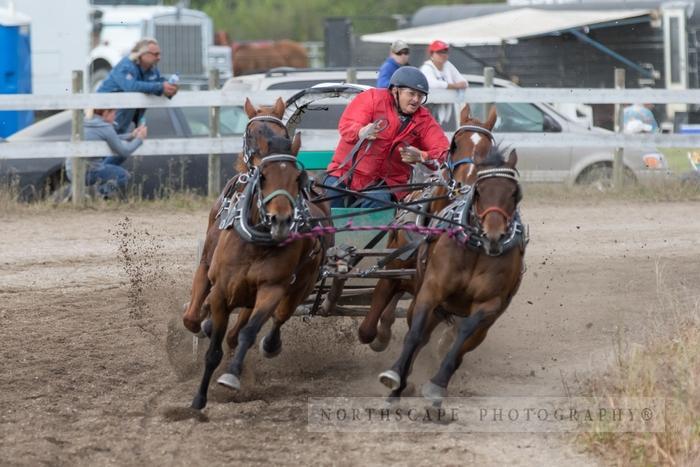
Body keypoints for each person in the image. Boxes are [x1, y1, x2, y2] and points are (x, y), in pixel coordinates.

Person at [325, 66, 449, 208]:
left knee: (377, 200)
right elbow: (347, 125)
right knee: (330, 193)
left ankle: (365, 231)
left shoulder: (424, 119)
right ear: (395, 91)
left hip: (388, 185)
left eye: (420, 96)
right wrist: (361, 131)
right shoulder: (371, 98)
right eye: (411, 93)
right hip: (345, 174)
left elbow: (444, 150)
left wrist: (423, 155)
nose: (416, 100)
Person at [97, 38, 178, 134]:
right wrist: (161, 87)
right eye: (155, 54)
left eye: (160, 54)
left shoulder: (152, 69)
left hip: (124, 120)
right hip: (103, 118)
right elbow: (131, 87)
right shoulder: (125, 65)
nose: (159, 57)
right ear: (142, 54)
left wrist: (170, 88)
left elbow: (157, 82)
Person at [65, 108, 147, 200]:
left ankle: (79, 194)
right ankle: (101, 194)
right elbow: (124, 151)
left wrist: (131, 135)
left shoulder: (84, 123)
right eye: (113, 113)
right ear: (105, 113)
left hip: (70, 171)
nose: (115, 116)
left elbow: (112, 138)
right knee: (123, 175)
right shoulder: (105, 127)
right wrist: (139, 139)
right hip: (89, 173)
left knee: (105, 168)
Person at [420, 40, 468, 124]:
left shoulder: (448, 65)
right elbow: (432, 84)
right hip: (427, 108)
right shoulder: (426, 67)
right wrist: (455, 86)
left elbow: (463, 82)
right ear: (432, 54)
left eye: (445, 51)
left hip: (445, 109)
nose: (443, 54)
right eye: (439, 52)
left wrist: (458, 85)